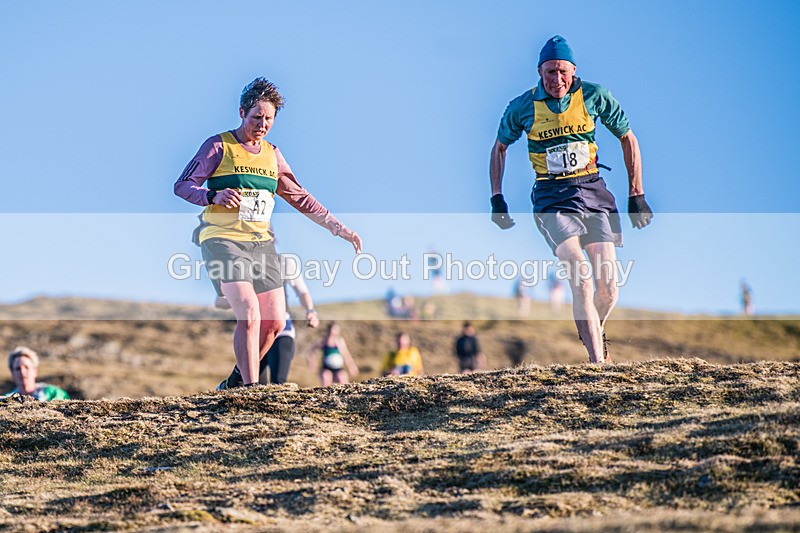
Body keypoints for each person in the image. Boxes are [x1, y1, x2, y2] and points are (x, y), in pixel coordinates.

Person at [174, 78, 362, 389]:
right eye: (256, 117)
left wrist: (336, 227)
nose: (262, 124)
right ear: (242, 112)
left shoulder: (272, 154)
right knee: (249, 312)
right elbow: (182, 185)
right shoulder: (218, 146)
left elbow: (299, 196)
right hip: (222, 239)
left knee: (274, 323)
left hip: (261, 244)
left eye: (269, 119)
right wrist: (213, 196)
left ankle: (235, 380)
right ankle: (250, 389)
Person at [489, 35, 653, 363]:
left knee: (608, 289)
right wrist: (497, 198)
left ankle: (595, 332)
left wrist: (637, 194)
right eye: (550, 72)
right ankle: (597, 364)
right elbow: (499, 148)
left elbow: (628, 138)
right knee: (581, 276)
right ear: (539, 72)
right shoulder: (522, 107)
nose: (557, 79)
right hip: (551, 197)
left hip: (593, 191)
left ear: (574, 71)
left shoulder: (594, 96)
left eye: (562, 71)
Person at [4, 347, 69, 401]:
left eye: (26, 367)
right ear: (12, 374)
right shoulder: (6, 400)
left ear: (35, 371)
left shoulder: (54, 394)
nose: (22, 372)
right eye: (18, 369)